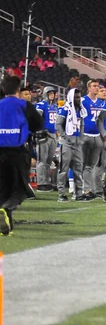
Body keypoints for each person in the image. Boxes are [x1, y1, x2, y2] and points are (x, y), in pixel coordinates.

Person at [0, 75, 44, 236]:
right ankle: (6, 209)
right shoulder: (23, 105)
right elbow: (38, 124)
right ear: (18, 90)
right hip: (17, 151)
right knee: (18, 187)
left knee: (2, 186)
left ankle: (6, 223)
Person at [55, 88, 89, 202]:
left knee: (78, 170)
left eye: (79, 97)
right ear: (71, 97)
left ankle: (78, 193)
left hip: (77, 143)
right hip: (67, 144)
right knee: (63, 169)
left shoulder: (81, 110)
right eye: (76, 97)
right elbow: (58, 124)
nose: (78, 99)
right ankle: (61, 194)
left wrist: (81, 138)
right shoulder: (64, 109)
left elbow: (82, 125)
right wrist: (65, 137)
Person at [81, 79, 106, 198]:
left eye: (97, 86)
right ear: (89, 88)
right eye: (94, 86)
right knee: (82, 163)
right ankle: (79, 189)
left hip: (97, 136)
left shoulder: (101, 103)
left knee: (91, 165)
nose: (96, 88)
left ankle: (89, 189)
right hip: (85, 135)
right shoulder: (82, 101)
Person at [34, 86, 59, 192]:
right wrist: (39, 130)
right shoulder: (41, 105)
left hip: (53, 135)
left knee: (49, 161)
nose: (52, 95)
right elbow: (36, 118)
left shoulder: (55, 106)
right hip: (44, 134)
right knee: (42, 160)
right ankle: (41, 183)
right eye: (50, 93)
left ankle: (46, 182)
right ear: (45, 94)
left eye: (53, 93)